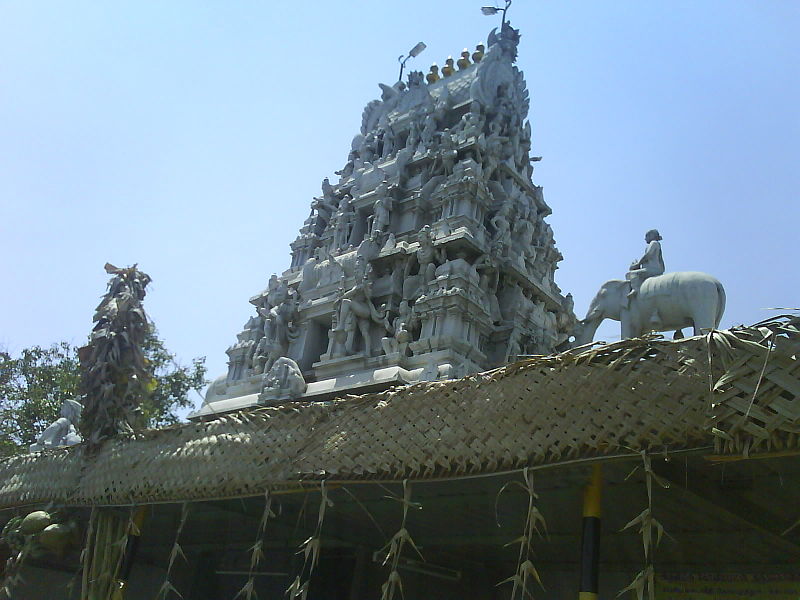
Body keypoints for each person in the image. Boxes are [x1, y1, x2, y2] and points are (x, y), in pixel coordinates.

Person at [627, 229, 665, 299]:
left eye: (647, 236)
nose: (645, 239)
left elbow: (648, 255)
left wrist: (638, 264)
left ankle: (636, 289)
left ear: (652, 236)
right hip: (652, 269)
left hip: (653, 269)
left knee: (631, 274)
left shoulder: (653, 243)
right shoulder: (654, 244)